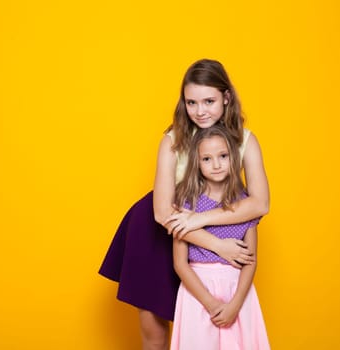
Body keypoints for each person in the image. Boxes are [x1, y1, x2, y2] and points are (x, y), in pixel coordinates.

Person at [99, 58, 269, 350]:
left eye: (209, 101)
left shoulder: (246, 141)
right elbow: (163, 212)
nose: (200, 111)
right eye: (191, 102)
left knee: (205, 329)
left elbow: (260, 204)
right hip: (156, 231)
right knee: (154, 331)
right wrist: (218, 245)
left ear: (226, 98)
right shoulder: (172, 140)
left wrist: (201, 219)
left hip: (199, 230)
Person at [171, 125, 270, 349]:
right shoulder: (187, 204)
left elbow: (251, 261)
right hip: (198, 293)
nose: (216, 165)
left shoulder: (245, 204)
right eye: (207, 159)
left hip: (238, 292)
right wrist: (210, 302)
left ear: (233, 157)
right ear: (197, 163)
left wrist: (235, 304)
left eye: (223, 156)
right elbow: (180, 263)